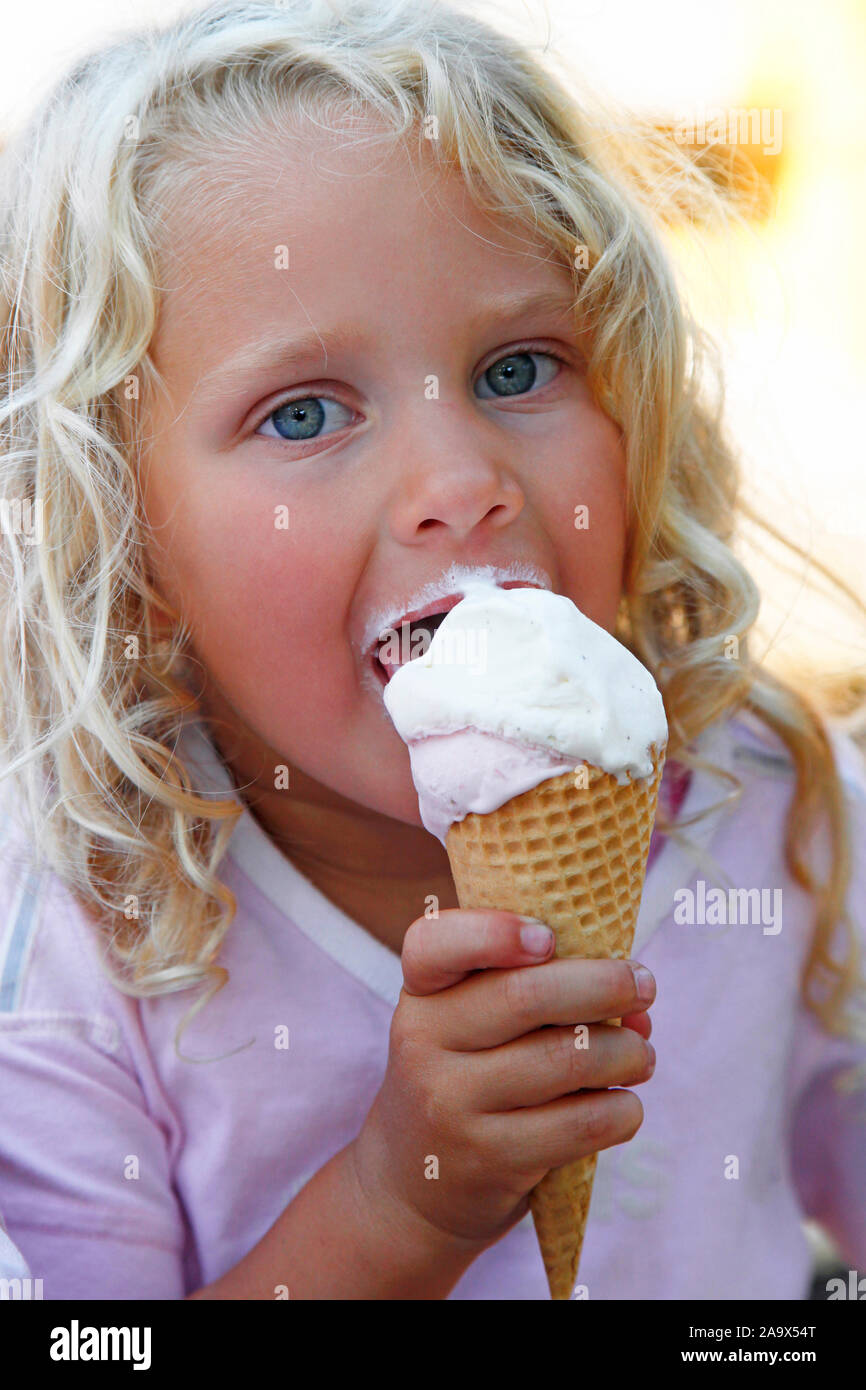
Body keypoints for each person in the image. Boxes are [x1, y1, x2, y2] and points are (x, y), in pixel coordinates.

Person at [0, 0, 863, 1300]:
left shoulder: (778, 816)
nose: (459, 481)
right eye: (303, 410)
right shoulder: (78, 938)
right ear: (122, 540)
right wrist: (396, 1205)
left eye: (518, 368)